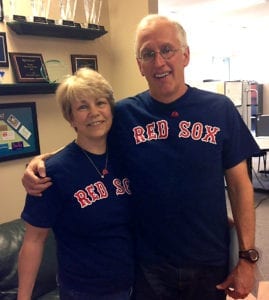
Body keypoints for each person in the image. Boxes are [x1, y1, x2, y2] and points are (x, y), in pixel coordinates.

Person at [22, 15, 261, 300]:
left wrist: (247, 258)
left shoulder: (220, 109)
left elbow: (240, 185)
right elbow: (87, 139)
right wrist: (41, 162)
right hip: (148, 267)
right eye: (148, 53)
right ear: (139, 65)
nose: (159, 62)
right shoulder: (124, 115)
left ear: (185, 55)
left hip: (209, 262)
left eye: (167, 50)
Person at [18, 68, 134, 300]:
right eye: (82, 107)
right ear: (71, 118)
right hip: (85, 291)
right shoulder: (52, 172)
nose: (94, 113)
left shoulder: (129, 157)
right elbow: (33, 240)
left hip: (135, 283)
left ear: (111, 109)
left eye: (100, 103)